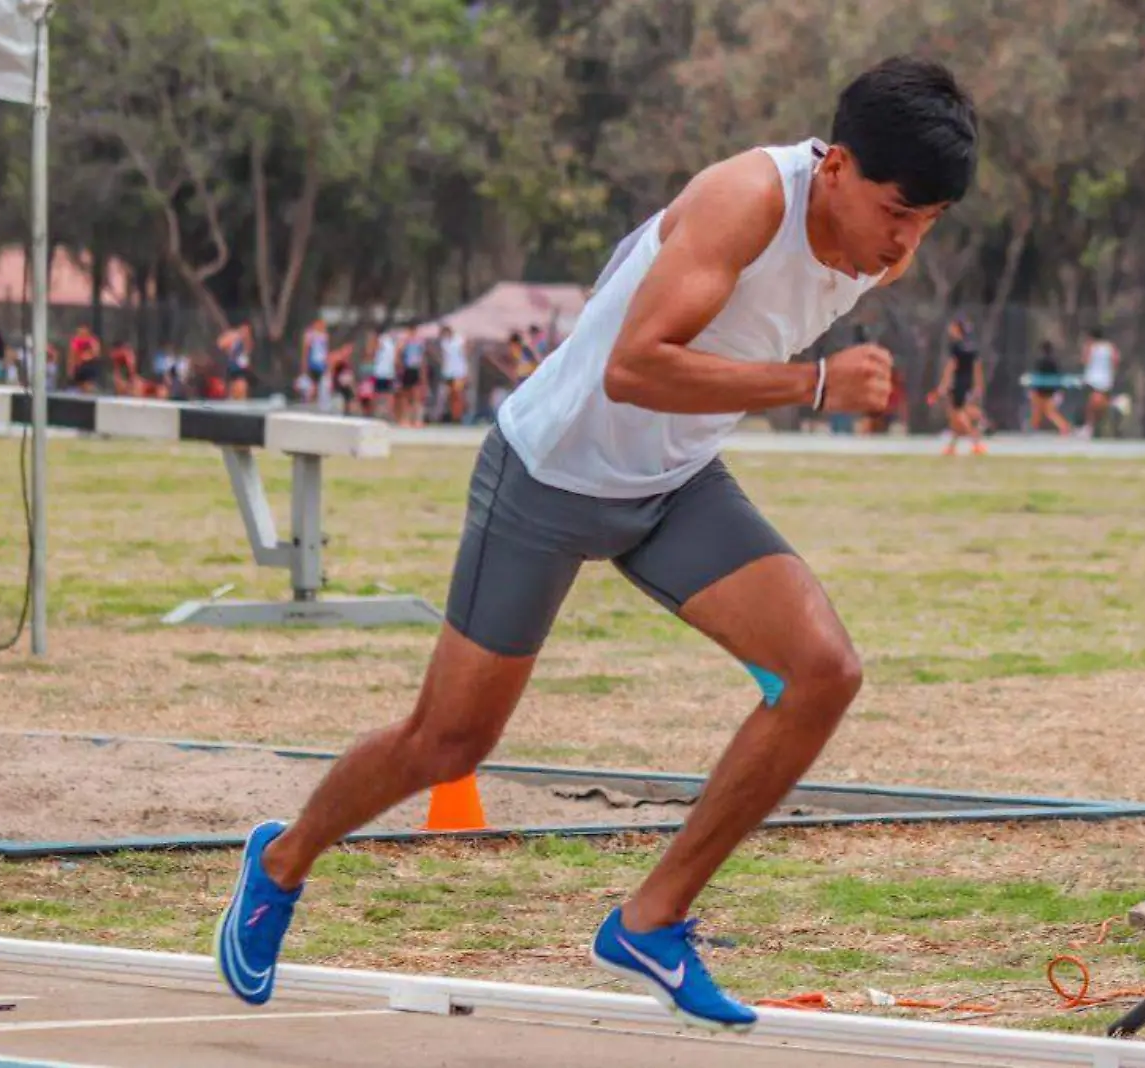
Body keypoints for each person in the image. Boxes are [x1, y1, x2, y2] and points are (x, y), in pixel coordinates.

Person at [213, 55, 976, 1032]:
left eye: (928, 222)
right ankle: (280, 862)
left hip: (672, 485)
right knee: (449, 743)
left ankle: (650, 921)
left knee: (823, 673)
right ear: (834, 167)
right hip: (551, 473)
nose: (904, 243)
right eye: (896, 210)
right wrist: (814, 389)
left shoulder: (885, 239)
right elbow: (630, 366)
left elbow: (655, 280)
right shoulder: (745, 198)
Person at [929, 315, 986, 455]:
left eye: (952, 327)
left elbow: (951, 367)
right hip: (968, 384)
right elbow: (977, 367)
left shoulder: (955, 346)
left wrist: (943, 386)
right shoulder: (972, 346)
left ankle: (976, 442)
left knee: (958, 415)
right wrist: (979, 385)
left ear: (957, 329)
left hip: (958, 383)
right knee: (956, 416)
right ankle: (952, 447)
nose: (950, 330)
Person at [1028, 339, 1071, 435]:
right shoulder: (1055, 361)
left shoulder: (1040, 362)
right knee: (1043, 411)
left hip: (1041, 390)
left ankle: (1064, 427)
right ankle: (1063, 427)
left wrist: (1033, 389)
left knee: (1042, 411)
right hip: (1052, 390)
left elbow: (1038, 377)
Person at [1081, 328, 1119, 437]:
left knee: (1093, 404)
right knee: (1096, 403)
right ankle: (1092, 426)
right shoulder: (1110, 347)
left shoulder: (1090, 346)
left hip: (1093, 378)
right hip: (1106, 379)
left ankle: (1090, 426)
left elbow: (1085, 360)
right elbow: (1115, 361)